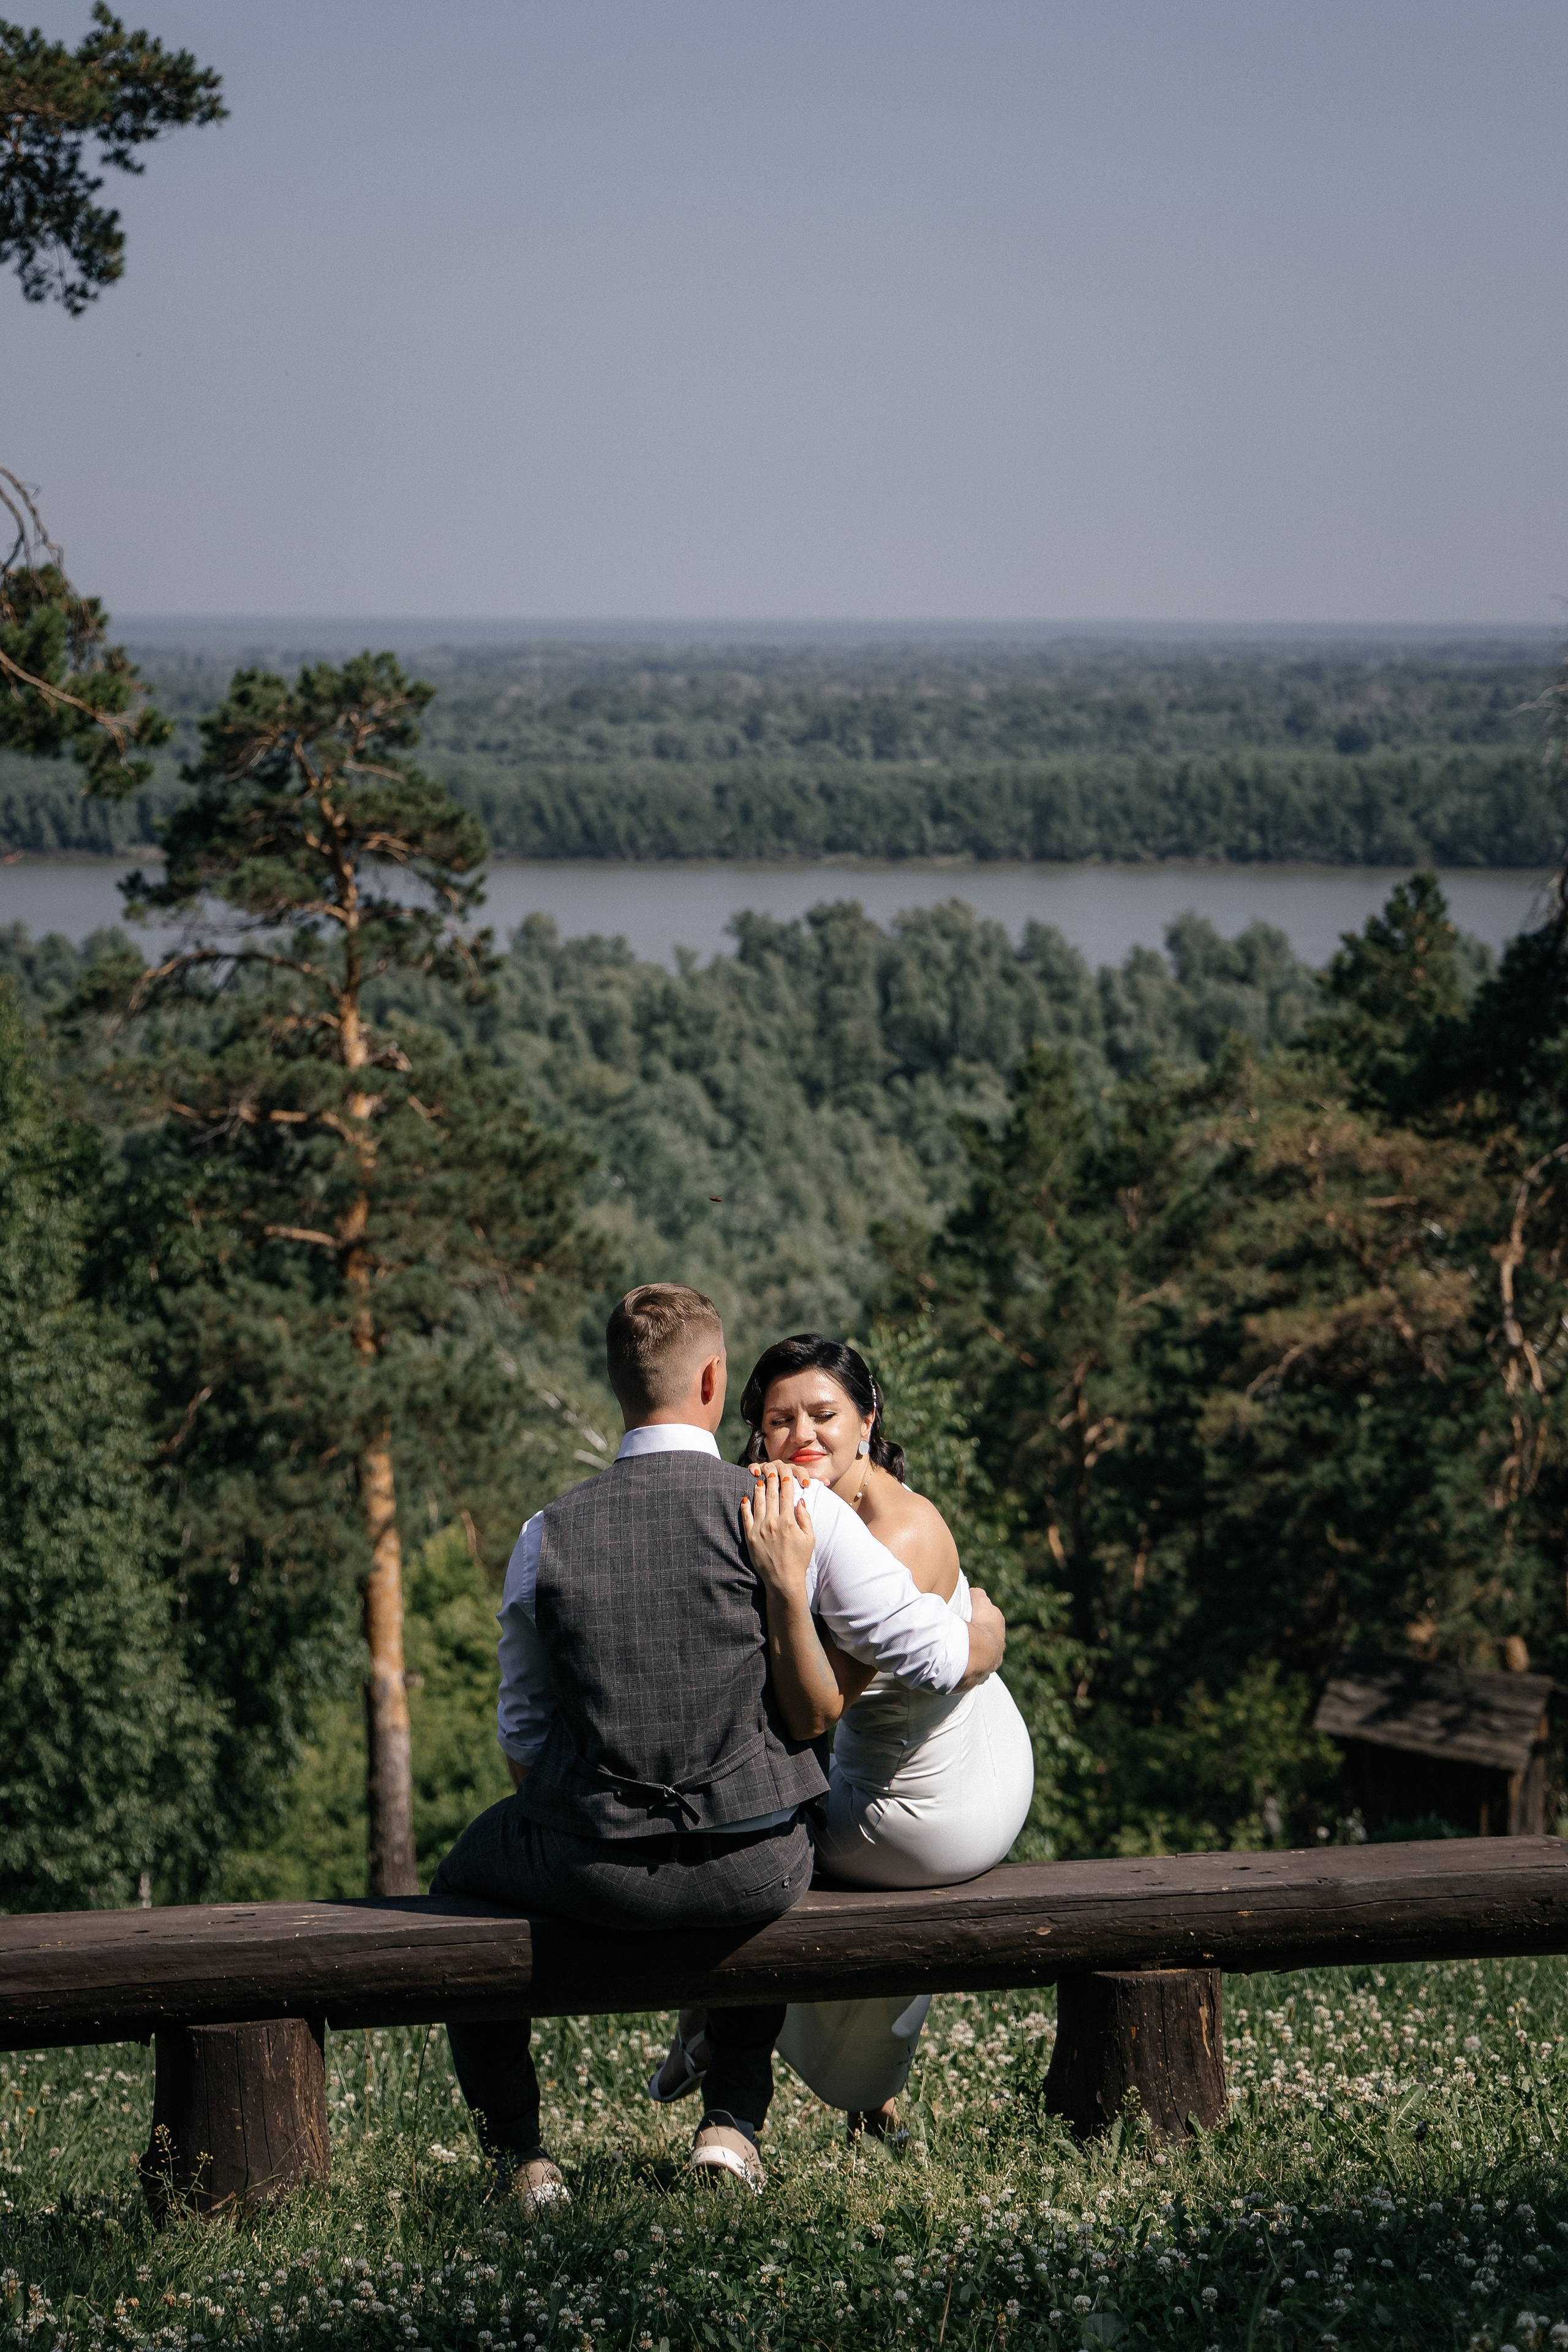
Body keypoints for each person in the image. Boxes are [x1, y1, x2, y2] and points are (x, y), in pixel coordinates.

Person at [432, 1286, 1008, 2204]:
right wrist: (986, 1631)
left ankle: (521, 2158)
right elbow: (935, 1655)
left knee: (463, 1875)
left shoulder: (548, 1535)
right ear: (713, 1381)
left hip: (594, 1875)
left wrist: (586, 1817)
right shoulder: (794, 1510)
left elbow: (523, 1733)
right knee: (777, 1846)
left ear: (618, 1385)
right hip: (755, 1869)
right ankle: (733, 2126)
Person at [651, 1335, 1034, 2141]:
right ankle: (855, 2096)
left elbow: (812, 1713)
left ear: (868, 1421)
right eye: (780, 1421)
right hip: (971, 1756)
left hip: (921, 1812)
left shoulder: (896, 1534)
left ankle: (711, 2032)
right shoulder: (799, 1505)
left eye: (825, 1415)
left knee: (733, 1853)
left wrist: (786, 1582)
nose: (803, 1437)